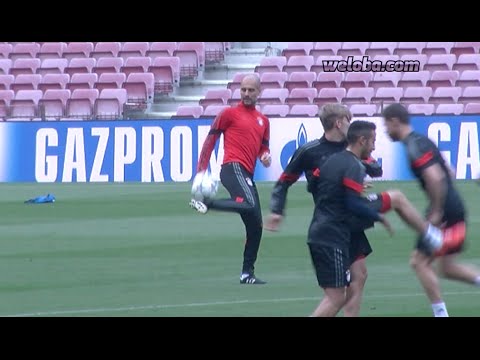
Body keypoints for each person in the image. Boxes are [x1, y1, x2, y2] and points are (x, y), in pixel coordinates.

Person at [266, 116, 443, 316]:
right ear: (362, 140)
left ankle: (429, 234)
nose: (374, 147)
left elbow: (313, 184)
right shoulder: (351, 164)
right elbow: (352, 202)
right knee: (335, 298)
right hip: (333, 230)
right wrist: (379, 217)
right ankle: (429, 234)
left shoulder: (332, 161)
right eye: (373, 142)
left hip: (331, 226)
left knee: (358, 276)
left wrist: (341, 185)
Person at [265, 103, 383, 316]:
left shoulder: (353, 147)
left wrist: (352, 174)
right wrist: (276, 210)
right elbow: (284, 182)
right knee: (337, 293)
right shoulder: (309, 151)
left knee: (360, 274)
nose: (351, 123)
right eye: (349, 119)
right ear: (339, 123)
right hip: (331, 220)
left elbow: (376, 168)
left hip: (351, 219)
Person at [382, 103, 480, 317]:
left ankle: (440, 315)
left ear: (394, 121)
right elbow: (448, 171)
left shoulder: (414, 146)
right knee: (447, 268)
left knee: (419, 261)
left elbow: (435, 177)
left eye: (385, 125)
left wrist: (436, 211)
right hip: (454, 205)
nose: (385, 130)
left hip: (444, 209)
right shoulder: (421, 140)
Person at [189, 73, 271, 285]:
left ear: (259, 92)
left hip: (247, 174)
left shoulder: (264, 121)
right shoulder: (228, 114)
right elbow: (210, 141)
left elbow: (263, 147)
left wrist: (264, 156)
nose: (245, 93)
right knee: (249, 204)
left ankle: (247, 274)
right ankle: (207, 202)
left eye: (250, 90)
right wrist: (201, 171)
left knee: (256, 226)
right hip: (232, 167)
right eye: (243, 89)